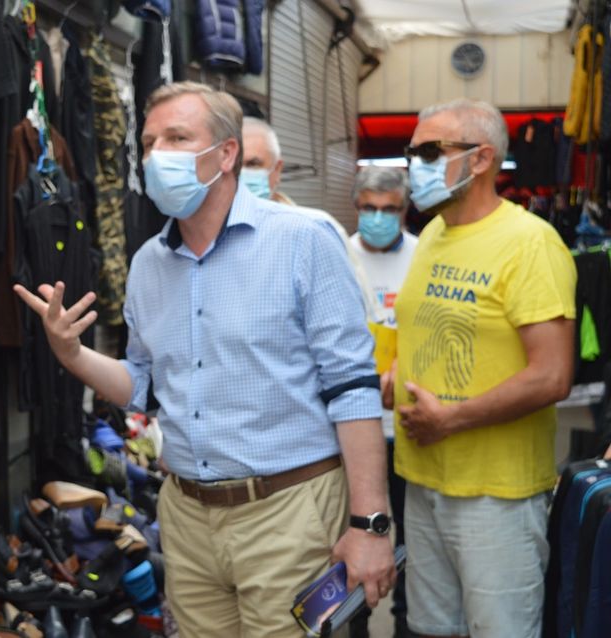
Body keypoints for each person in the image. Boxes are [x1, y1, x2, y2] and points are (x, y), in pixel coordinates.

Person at [15, 81, 395, 637]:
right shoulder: (149, 264)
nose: (156, 156)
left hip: (289, 511)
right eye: (149, 143)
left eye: (177, 138)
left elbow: (352, 387)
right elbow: (144, 385)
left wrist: (369, 524)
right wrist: (71, 353)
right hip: (188, 517)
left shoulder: (303, 240)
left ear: (226, 154)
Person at [387, 98, 576, 638]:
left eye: (430, 152)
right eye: (411, 152)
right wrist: (397, 371)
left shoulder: (530, 243)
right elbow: (425, 329)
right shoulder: (432, 236)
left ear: (481, 159)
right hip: (423, 480)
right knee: (431, 629)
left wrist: (451, 418)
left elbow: (552, 376)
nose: (415, 165)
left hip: (496, 495)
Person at [348, 166, 418, 638]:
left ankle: (406, 625)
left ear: (404, 210)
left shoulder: (425, 255)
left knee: (413, 544)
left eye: (389, 209)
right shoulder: (337, 254)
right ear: (356, 207)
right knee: (352, 540)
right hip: (352, 429)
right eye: (370, 208)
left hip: (409, 428)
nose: (378, 217)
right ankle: (353, 626)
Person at [241, 116, 378, 321]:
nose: (241, 174)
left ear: (277, 170)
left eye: (253, 164)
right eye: (235, 165)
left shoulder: (317, 231)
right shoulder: (200, 236)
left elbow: (360, 318)